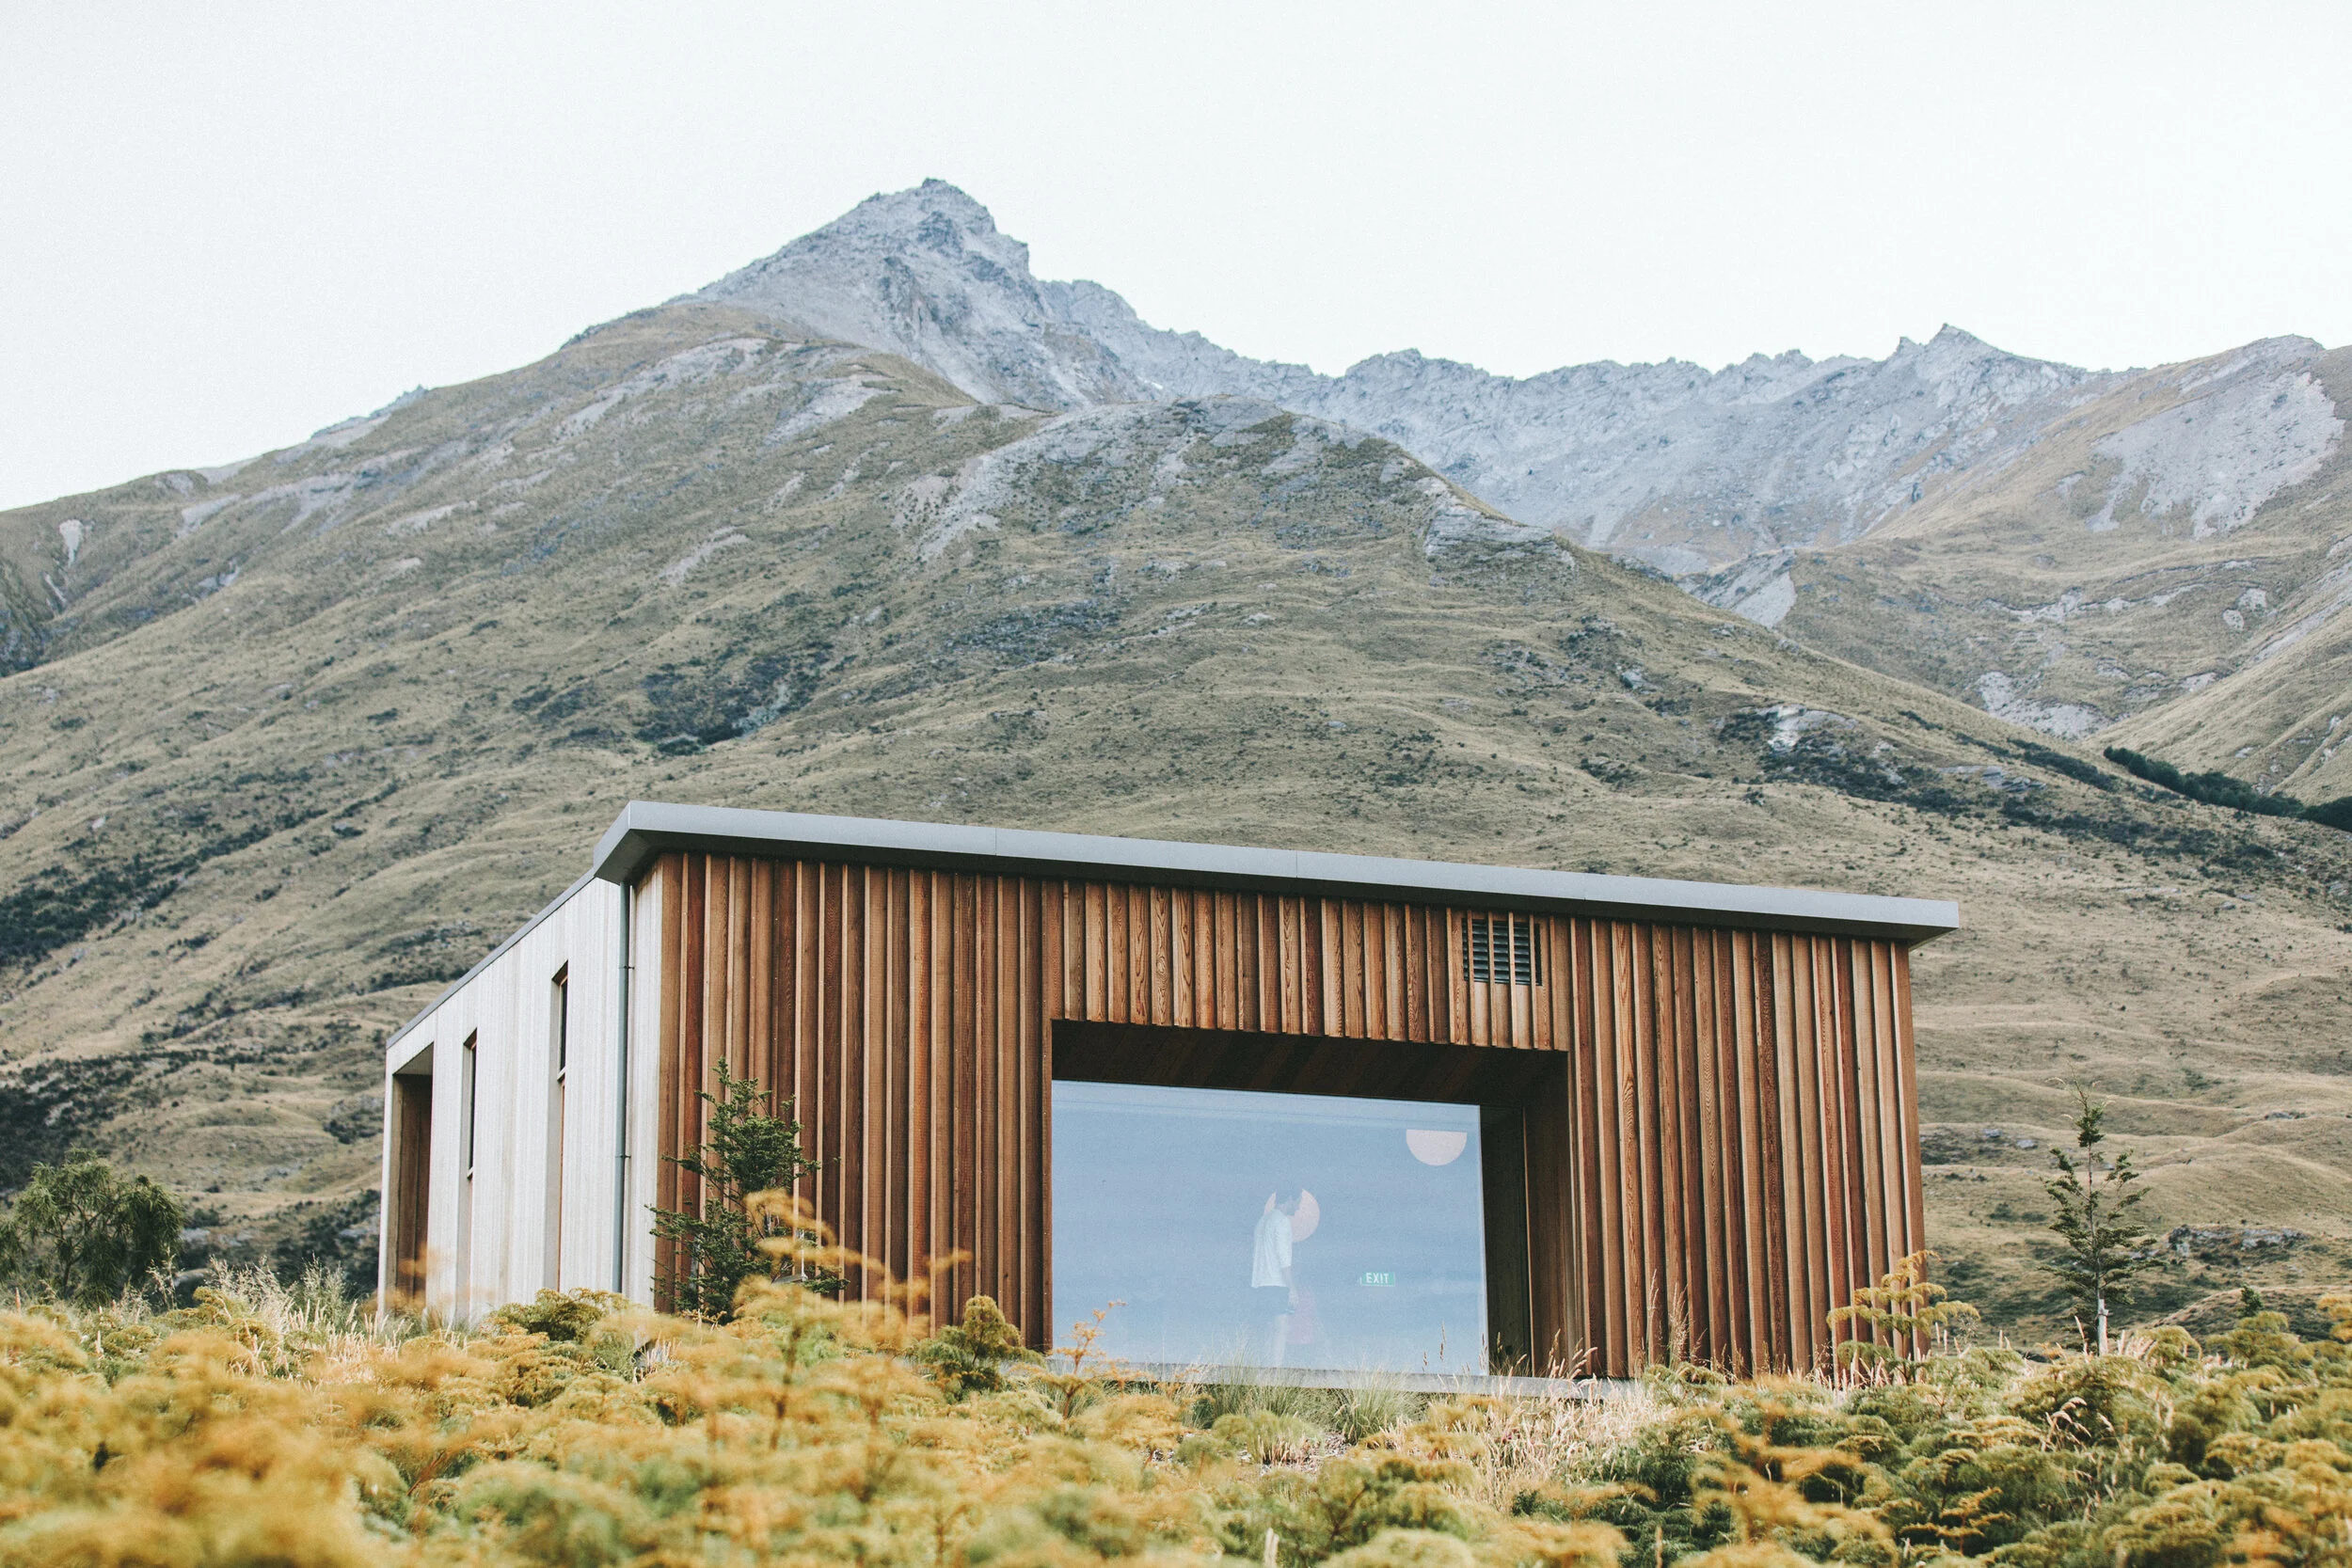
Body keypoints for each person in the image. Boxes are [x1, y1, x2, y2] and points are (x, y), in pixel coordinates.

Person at [1250, 1192, 1296, 1365]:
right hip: (1276, 1283)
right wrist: (1292, 1287)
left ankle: (1264, 1369)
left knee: (1267, 1330)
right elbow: (1284, 1258)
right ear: (1290, 1199)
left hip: (1260, 1283)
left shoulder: (1262, 1222)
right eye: (1297, 1202)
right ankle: (1275, 1371)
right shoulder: (1282, 1221)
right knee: (1281, 1329)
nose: (1298, 1207)